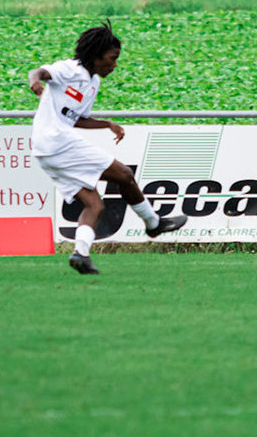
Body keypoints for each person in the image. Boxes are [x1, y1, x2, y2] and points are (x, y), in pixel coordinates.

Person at [29, 23, 187, 276]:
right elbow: (38, 71)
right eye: (112, 58)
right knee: (124, 175)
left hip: (46, 151)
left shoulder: (92, 82)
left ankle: (80, 254)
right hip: (56, 143)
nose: (114, 65)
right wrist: (36, 82)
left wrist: (106, 124)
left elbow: (75, 118)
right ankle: (153, 223)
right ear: (96, 55)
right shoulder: (70, 69)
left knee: (94, 205)